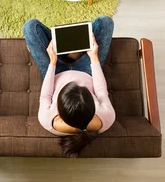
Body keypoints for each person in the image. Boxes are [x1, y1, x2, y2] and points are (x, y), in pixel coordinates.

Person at [22, 16, 116, 158]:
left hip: (55, 72)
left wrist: (52, 61)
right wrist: (94, 57)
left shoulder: (47, 119)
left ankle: (68, 53)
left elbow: (46, 95)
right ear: (92, 107)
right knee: (105, 22)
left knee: (30, 27)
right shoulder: (107, 118)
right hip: (88, 70)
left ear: (60, 111)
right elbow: (101, 91)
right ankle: (73, 53)